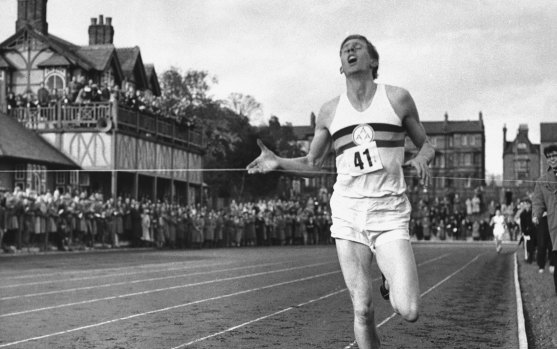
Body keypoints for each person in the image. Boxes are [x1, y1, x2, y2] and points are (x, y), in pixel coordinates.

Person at [247, 34, 434, 349]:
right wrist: (278, 161)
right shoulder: (330, 111)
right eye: (345, 49)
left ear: (373, 61)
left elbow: (427, 144)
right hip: (347, 214)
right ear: (340, 66)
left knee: (410, 310)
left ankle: (389, 277)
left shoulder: (397, 99)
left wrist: (420, 159)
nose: (350, 50)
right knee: (362, 309)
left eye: (357, 46)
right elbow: (312, 161)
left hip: (388, 214)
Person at [532, 144, 557, 293]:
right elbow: (538, 202)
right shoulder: (542, 182)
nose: (552, 159)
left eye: (555, 156)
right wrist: (536, 215)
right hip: (555, 227)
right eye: (550, 157)